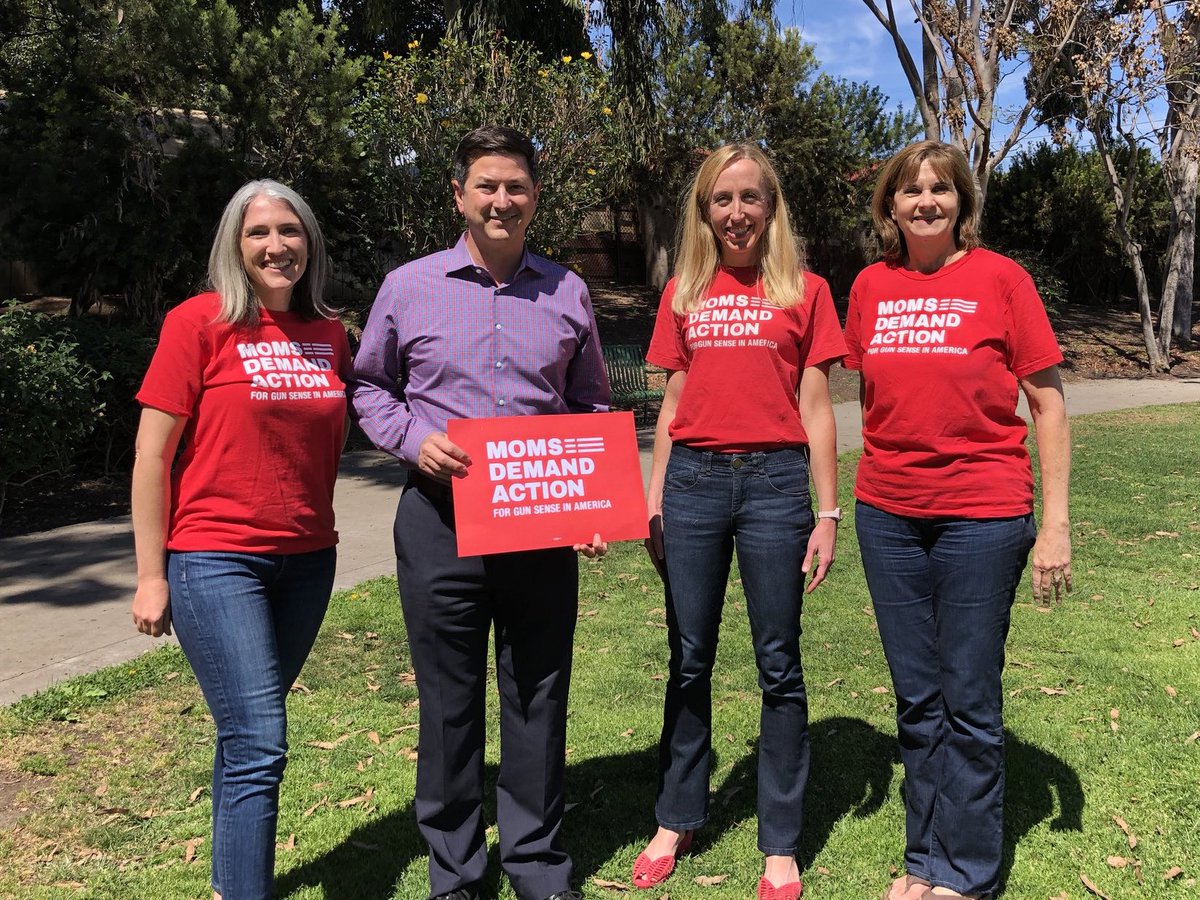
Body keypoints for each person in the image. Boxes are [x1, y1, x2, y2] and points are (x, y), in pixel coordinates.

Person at [351, 125, 610, 900]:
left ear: (534, 197)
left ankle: (535, 862)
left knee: (538, 693)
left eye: (517, 187)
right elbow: (369, 387)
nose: (503, 200)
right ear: (459, 196)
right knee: (448, 701)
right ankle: (457, 872)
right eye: (487, 186)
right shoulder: (408, 286)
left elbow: (590, 403)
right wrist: (412, 440)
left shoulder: (567, 291)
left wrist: (591, 497)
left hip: (537, 524)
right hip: (439, 522)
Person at [843, 140, 1072, 900]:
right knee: (917, 696)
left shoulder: (1002, 280)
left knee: (968, 694)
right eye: (910, 191)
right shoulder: (870, 286)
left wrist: (1056, 525)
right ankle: (923, 859)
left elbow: (1047, 404)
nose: (926, 201)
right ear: (889, 206)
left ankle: (967, 871)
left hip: (983, 514)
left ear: (962, 202)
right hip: (887, 514)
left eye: (940, 189)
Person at [635, 143, 846, 900]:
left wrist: (827, 510)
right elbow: (671, 404)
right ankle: (678, 814)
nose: (736, 214)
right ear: (704, 209)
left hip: (775, 485)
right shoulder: (685, 290)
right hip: (691, 483)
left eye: (750, 198)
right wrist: (654, 499)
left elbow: (818, 408)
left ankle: (780, 842)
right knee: (689, 656)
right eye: (721, 200)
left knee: (778, 663)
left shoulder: (806, 291)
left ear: (772, 206)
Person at [131, 179, 351, 900]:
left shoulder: (329, 333)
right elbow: (151, 457)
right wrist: (150, 574)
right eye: (257, 233)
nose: (275, 246)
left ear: (308, 241)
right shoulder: (198, 324)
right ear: (234, 245)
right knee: (260, 740)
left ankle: (231, 884)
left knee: (246, 736)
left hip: (309, 558)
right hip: (214, 559)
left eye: (288, 231)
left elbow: (350, 426)